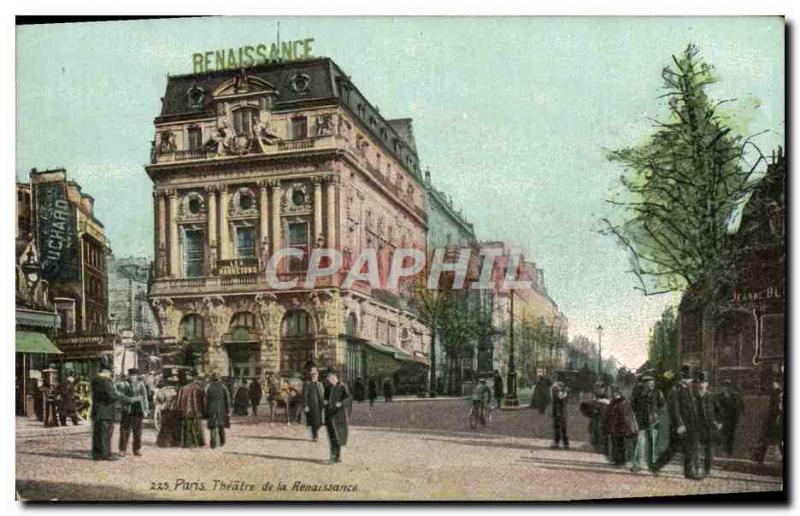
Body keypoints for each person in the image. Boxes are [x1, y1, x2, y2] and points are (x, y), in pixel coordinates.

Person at [652, 365, 700, 479]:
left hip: (690, 424)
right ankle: (656, 466)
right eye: (688, 379)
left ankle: (688, 472)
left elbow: (692, 407)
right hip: (680, 425)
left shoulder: (688, 389)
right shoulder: (676, 390)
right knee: (672, 449)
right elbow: (675, 408)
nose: (690, 381)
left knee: (690, 447)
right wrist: (679, 424)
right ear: (683, 378)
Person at [90, 368, 135, 461]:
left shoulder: (95, 381)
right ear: (107, 373)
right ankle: (106, 454)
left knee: (97, 433)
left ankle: (97, 454)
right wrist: (125, 398)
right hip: (106, 411)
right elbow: (112, 395)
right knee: (106, 434)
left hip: (96, 411)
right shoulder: (106, 381)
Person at [630, 375, 665, 472]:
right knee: (639, 442)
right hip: (640, 420)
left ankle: (652, 464)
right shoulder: (638, 393)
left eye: (652, 384)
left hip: (653, 421)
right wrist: (635, 415)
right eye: (649, 384)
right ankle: (637, 464)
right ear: (644, 384)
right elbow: (632, 405)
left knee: (652, 443)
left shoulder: (658, 393)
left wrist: (657, 415)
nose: (651, 386)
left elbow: (663, 406)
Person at [693, 371, 722, 478]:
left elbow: (719, 411)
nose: (701, 385)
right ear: (696, 384)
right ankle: (696, 468)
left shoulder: (712, 397)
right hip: (696, 426)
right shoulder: (693, 397)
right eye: (699, 382)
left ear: (707, 384)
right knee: (695, 448)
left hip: (709, 426)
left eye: (703, 382)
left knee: (709, 450)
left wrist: (719, 422)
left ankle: (707, 470)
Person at [602, 386, 638, 466]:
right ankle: (618, 460)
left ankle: (621, 461)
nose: (611, 394)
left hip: (621, 427)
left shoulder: (622, 403)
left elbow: (626, 416)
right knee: (617, 443)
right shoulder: (615, 402)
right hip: (616, 427)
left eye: (612, 393)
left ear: (616, 393)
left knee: (620, 444)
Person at [324, 368, 353, 464]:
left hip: (339, 416)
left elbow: (349, 398)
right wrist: (325, 402)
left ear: (336, 377)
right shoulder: (328, 388)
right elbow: (325, 398)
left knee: (338, 437)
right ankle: (333, 456)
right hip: (329, 416)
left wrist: (341, 403)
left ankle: (337, 456)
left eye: (330, 377)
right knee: (332, 437)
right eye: (328, 377)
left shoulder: (342, 387)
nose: (329, 379)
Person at [753, 372, 783, 463]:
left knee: (768, 437)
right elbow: (776, 406)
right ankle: (759, 456)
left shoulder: (776, 392)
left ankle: (759, 456)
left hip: (773, 417)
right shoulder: (777, 391)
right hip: (774, 417)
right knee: (773, 438)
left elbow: (775, 406)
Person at [119, 368, 149, 457]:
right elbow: (121, 397)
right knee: (124, 430)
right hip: (127, 410)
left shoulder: (141, 385)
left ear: (137, 376)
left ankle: (137, 449)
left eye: (135, 376)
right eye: (131, 376)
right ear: (128, 376)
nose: (133, 377)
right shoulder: (123, 385)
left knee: (138, 431)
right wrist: (131, 400)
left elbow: (145, 398)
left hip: (138, 410)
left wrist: (146, 409)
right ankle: (122, 449)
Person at [715, 379, 744, 457]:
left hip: (731, 419)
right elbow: (716, 408)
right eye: (725, 386)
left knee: (730, 435)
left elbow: (739, 406)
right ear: (722, 387)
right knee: (723, 434)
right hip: (723, 419)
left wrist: (738, 415)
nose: (726, 388)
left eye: (728, 386)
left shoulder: (734, 395)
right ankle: (723, 450)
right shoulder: (719, 396)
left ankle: (729, 451)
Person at [176, 373, 205, 448]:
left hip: (186, 410)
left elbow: (179, 401)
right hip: (197, 411)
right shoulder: (200, 389)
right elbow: (203, 401)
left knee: (187, 427)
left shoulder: (183, 388)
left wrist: (179, 409)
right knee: (198, 427)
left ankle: (188, 443)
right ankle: (198, 442)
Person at [204, 372, 231, 449]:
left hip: (211, 409)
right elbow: (227, 400)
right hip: (221, 408)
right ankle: (222, 441)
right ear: (219, 378)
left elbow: (205, 400)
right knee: (221, 425)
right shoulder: (223, 387)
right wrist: (228, 410)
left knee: (212, 426)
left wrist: (205, 410)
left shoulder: (208, 387)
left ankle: (213, 444)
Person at [155, 375, 181, 447]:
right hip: (176, 409)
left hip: (166, 409)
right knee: (175, 425)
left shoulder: (163, 390)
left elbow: (159, 400)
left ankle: (164, 442)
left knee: (165, 426)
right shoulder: (178, 389)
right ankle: (176, 442)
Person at [302, 366, 325, 442]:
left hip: (319, 406)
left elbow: (322, 394)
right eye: (312, 374)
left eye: (315, 374)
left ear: (317, 375)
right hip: (312, 406)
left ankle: (315, 433)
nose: (313, 376)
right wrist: (305, 405)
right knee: (314, 422)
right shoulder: (307, 384)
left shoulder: (320, 384)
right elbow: (304, 395)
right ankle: (315, 436)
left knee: (319, 422)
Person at [550, 381, 570, 449]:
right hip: (562, 412)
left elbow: (558, 399)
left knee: (558, 427)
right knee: (563, 428)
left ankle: (558, 443)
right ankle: (565, 443)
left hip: (559, 411)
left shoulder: (559, 392)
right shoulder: (565, 392)